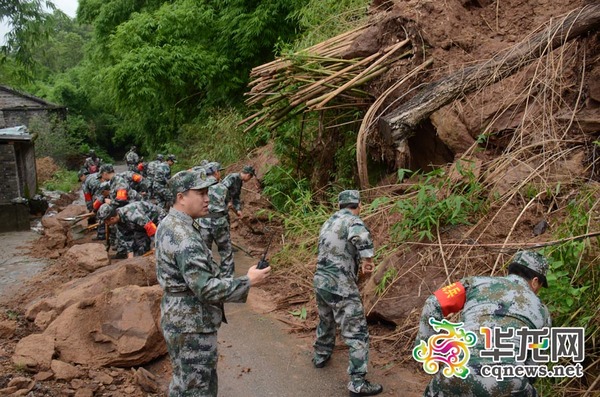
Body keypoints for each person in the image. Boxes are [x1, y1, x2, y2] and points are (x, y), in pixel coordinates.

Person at [155, 169, 271, 396]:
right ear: (181, 197)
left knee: (187, 385)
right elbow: (205, 288)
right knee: (195, 390)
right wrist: (248, 281)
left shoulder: (171, 224)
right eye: (200, 193)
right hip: (191, 325)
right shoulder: (184, 237)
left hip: (179, 319)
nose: (208, 198)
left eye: (207, 191)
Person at [415, 250, 551, 397]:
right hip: (507, 382)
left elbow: (432, 303)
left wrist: (429, 356)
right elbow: (532, 368)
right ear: (535, 281)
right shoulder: (543, 312)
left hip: (456, 373)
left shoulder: (475, 283)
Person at [312, 190, 383, 397]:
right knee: (357, 332)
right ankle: (358, 383)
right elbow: (361, 237)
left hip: (321, 281)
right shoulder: (353, 220)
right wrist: (368, 260)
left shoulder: (328, 222)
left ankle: (320, 356)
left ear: (340, 205)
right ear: (358, 204)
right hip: (340, 285)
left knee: (326, 319)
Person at [194, 162, 235, 277]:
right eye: (219, 172)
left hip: (203, 223)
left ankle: (207, 279)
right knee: (226, 252)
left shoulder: (199, 188)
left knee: (205, 252)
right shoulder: (222, 187)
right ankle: (227, 280)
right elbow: (227, 203)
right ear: (216, 173)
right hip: (219, 223)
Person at [97, 201, 165, 258]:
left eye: (106, 222)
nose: (107, 224)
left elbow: (151, 227)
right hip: (141, 227)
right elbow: (127, 238)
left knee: (160, 248)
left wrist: (155, 246)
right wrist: (130, 256)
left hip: (158, 220)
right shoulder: (118, 222)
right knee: (140, 253)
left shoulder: (131, 214)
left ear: (112, 219)